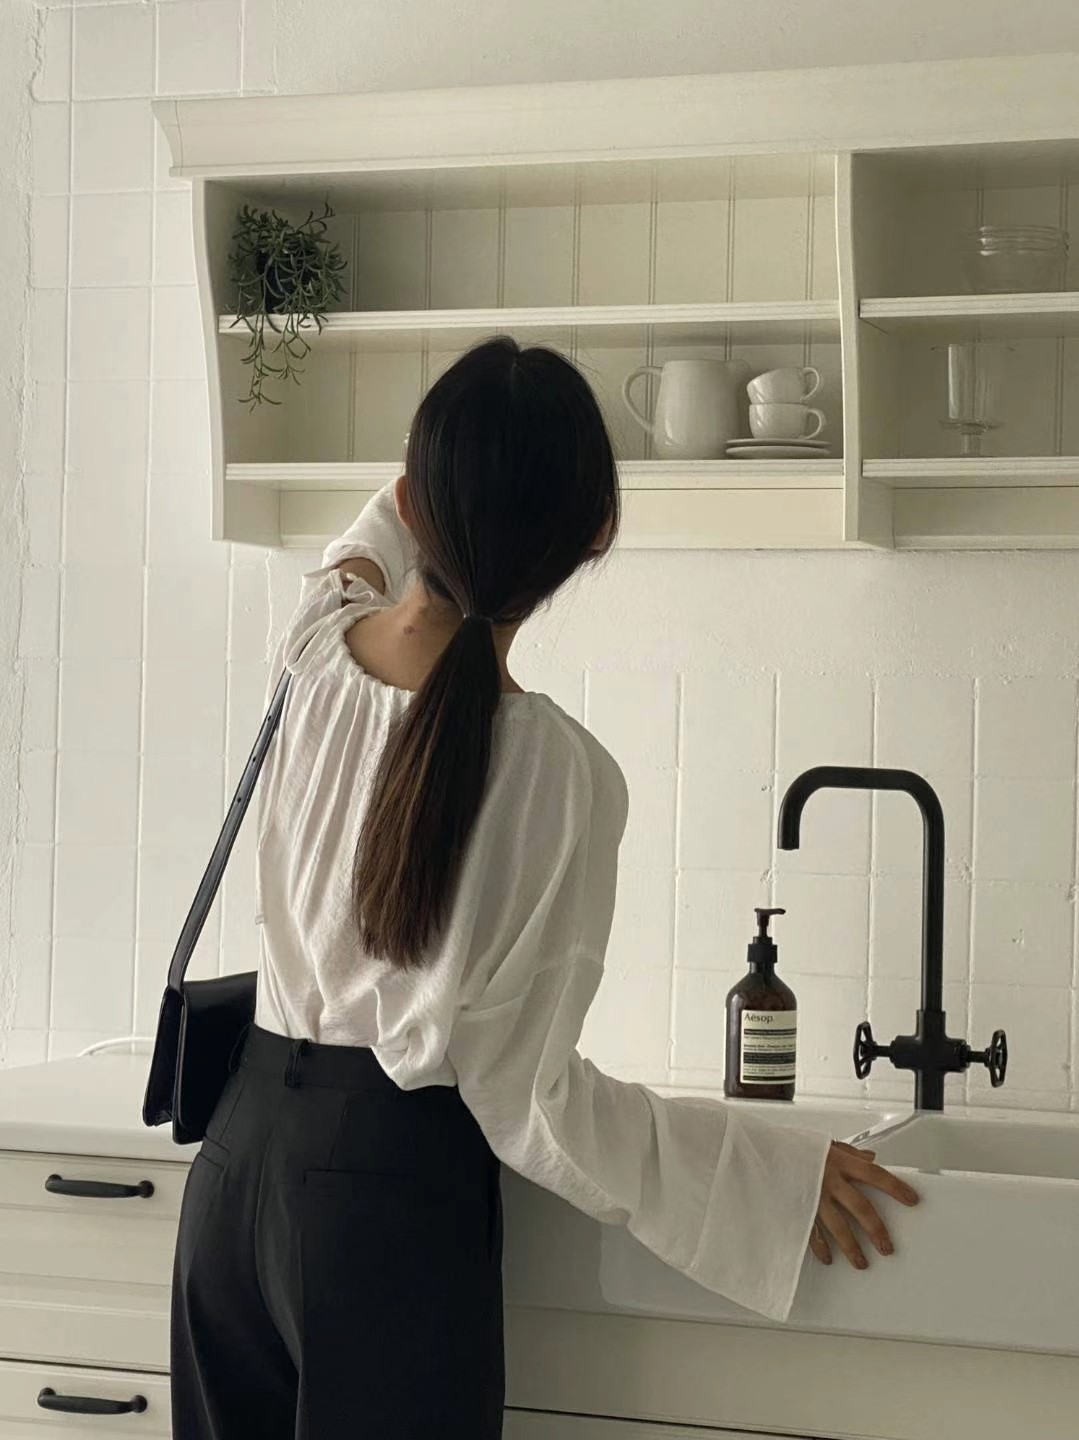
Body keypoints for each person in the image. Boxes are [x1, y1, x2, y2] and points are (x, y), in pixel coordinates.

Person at [170, 336, 918, 1439]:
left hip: (233, 1177)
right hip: (381, 1213)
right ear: (596, 535)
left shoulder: (313, 649)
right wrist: (767, 1178)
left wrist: (438, 480)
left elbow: (365, 542)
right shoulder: (559, 776)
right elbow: (528, 1100)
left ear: (415, 501)